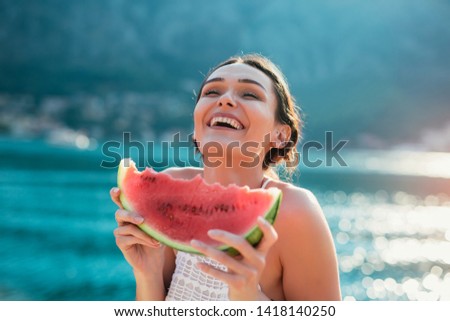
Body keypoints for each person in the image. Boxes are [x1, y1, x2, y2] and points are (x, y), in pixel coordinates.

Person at [110, 53, 341, 301]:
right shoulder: (170, 195)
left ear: (281, 135)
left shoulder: (294, 211)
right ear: (198, 121)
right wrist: (148, 273)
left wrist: (248, 299)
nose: (225, 100)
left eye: (249, 94)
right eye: (212, 92)